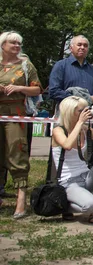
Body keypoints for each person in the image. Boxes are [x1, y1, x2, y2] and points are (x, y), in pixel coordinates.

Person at [51, 96, 93, 223]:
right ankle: (66, 207)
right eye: (81, 111)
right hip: (69, 182)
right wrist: (80, 122)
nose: (86, 113)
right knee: (89, 205)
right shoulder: (58, 130)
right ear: (69, 112)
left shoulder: (84, 129)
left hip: (86, 176)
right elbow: (67, 145)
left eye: (86, 110)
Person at [0, 31, 43, 219]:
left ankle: (21, 201)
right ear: (3, 45)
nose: (17, 46)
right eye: (13, 43)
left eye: (19, 43)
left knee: (16, 152)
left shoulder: (25, 65)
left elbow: (37, 89)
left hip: (15, 113)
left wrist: (18, 88)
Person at [48, 35, 93, 108]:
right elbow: (53, 91)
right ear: (71, 48)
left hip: (88, 113)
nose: (82, 47)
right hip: (67, 113)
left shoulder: (92, 69)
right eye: (79, 45)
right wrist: (76, 99)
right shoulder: (61, 66)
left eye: (85, 46)